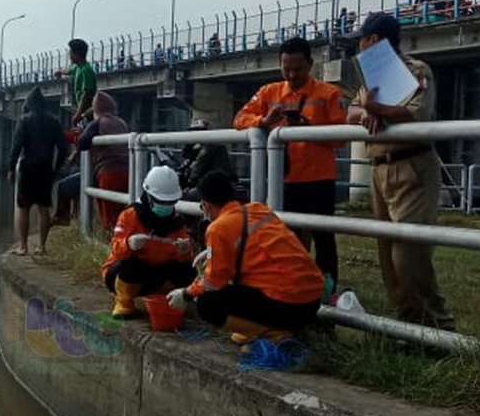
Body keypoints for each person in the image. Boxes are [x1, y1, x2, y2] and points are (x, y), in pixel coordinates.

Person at [346, 12, 454, 331]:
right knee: (387, 256)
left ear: (375, 41)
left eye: (363, 40)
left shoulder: (415, 71)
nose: (360, 46)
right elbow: (351, 111)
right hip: (380, 169)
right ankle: (407, 326)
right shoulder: (370, 79)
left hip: (412, 166)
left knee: (409, 254)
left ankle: (438, 328)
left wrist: (378, 110)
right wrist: (367, 112)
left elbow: (416, 113)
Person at [233, 36, 347, 287]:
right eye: (287, 69)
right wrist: (263, 121)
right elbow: (240, 119)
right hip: (283, 180)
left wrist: (311, 128)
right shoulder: (269, 92)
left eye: (298, 69)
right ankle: (292, 287)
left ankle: (328, 291)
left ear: (310, 64)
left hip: (319, 180)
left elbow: (342, 137)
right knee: (285, 238)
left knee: (324, 239)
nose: (292, 75)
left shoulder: (329, 94)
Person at [167, 172, 326, 345]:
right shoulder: (258, 209)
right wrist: (211, 252)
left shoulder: (218, 228)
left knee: (208, 303)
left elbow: (213, 282)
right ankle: (264, 327)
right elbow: (256, 245)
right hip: (313, 300)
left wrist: (186, 294)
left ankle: (274, 334)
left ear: (205, 205)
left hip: (288, 305)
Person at [101, 166, 195, 318]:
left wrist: (185, 251)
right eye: (161, 201)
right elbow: (116, 250)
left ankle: (169, 301)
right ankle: (124, 303)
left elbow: (183, 260)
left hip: (157, 274)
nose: (165, 206)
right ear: (149, 196)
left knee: (187, 271)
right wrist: (128, 244)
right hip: (128, 274)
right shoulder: (130, 215)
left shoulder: (177, 222)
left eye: (170, 202)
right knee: (132, 266)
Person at [8, 87, 69, 255]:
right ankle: (42, 246)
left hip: (28, 168)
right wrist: (57, 168)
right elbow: (63, 148)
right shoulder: (54, 121)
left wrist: (11, 168)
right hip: (45, 169)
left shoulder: (24, 121)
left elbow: (16, 146)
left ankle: (23, 246)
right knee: (44, 209)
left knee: (24, 207)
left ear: (30, 104)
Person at [76, 91, 129, 232]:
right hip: (128, 171)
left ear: (96, 110)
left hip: (108, 173)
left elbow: (81, 143)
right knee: (125, 215)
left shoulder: (98, 123)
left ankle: (113, 247)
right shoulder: (122, 123)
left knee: (110, 219)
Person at [179, 119, 233, 199]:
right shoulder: (196, 148)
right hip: (201, 185)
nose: (194, 134)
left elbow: (197, 171)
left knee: (184, 196)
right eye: (192, 132)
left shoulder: (213, 148)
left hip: (213, 187)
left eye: (197, 131)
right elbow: (185, 160)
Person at [55, 38, 96, 126]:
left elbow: (86, 95)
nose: (69, 55)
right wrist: (60, 72)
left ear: (77, 54)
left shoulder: (86, 70)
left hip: (88, 113)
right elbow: (69, 70)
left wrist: (78, 114)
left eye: (71, 53)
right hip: (82, 112)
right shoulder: (77, 67)